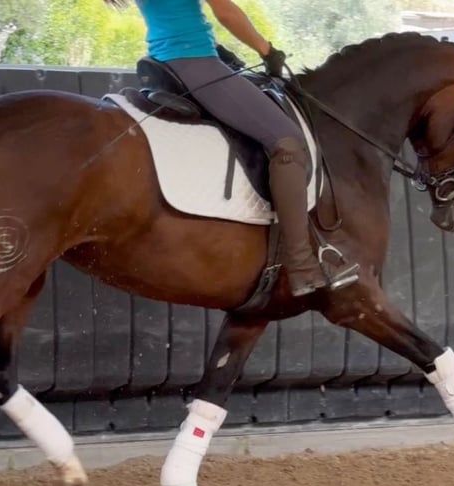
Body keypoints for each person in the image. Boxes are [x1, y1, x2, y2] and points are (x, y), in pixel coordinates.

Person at [105, 0, 357, 296]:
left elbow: (175, 14)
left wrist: (217, 48)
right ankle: (301, 266)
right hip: (193, 61)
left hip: (167, 60)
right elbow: (225, 11)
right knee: (287, 143)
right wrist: (267, 51)